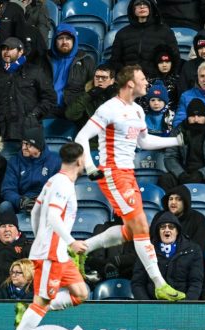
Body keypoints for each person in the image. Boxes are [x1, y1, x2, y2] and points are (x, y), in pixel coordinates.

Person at [74, 65, 187, 301]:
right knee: (141, 228)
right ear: (130, 83)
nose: (147, 82)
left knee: (129, 231)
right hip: (113, 173)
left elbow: (143, 142)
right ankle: (160, 284)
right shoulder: (108, 109)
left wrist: (175, 141)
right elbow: (81, 137)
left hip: (129, 173)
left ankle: (80, 248)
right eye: (143, 78)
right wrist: (91, 166)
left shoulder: (137, 110)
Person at [1, 142, 89, 330]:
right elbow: (51, 216)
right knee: (42, 300)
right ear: (79, 160)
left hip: (56, 251)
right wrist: (70, 242)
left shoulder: (52, 181)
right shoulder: (63, 185)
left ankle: (27, 309)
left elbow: (36, 211)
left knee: (80, 293)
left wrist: (41, 236)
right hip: (52, 252)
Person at [0, 37, 56, 142]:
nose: (6, 52)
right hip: (4, 134)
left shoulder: (35, 71)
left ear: (20, 51)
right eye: (4, 49)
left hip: (30, 133)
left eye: (10, 48)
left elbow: (50, 98)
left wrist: (34, 115)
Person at [161, 98, 205, 195]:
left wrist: (201, 173)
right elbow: (170, 157)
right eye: (192, 116)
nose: (196, 119)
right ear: (188, 117)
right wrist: (180, 174)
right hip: (183, 174)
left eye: (199, 116)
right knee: (166, 179)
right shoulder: (178, 131)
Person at [131, 212, 203, 300]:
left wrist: (185, 306)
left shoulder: (193, 250)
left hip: (181, 305)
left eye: (171, 227)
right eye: (163, 227)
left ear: (177, 231)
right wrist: (147, 307)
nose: (167, 230)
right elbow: (137, 283)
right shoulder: (146, 249)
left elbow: (196, 283)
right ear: (158, 232)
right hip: (153, 304)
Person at [109, 0, 180, 77]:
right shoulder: (122, 33)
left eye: (145, 4)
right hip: (129, 80)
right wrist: (126, 75)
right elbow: (115, 60)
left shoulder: (165, 31)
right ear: (133, 9)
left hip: (157, 81)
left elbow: (175, 58)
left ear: (151, 7)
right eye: (138, 4)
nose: (142, 7)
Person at [0, 128, 61, 215]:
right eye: (23, 143)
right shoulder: (15, 161)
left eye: (28, 144)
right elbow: (7, 189)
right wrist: (21, 201)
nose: (23, 148)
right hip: (22, 202)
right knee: (5, 206)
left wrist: (44, 200)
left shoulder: (55, 160)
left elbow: (60, 187)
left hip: (47, 202)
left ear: (38, 146)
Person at [41, 23, 95, 117]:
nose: (64, 42)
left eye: (68, 38)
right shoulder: (44, 58)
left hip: (72, 110)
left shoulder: (86, 60)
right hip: (46, 107)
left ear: (74, 41)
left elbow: (91, 88)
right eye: (60, 38)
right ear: (54, 40)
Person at [155, 185, 205, 251]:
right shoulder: (159, 216)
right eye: (171, 199)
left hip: (188, 258)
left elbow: (199, 248)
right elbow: (153, 241)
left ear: (185, 202)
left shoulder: (198, 218)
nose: (173, 202)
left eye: (178, 199)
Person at [65, 63, 117, 129]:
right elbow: (70, 115)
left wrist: (113, 97)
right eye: (97, 77)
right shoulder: (86, 94)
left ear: (112, 81)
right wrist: (89, 95)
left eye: (104, 78)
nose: (100, 80)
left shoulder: (121, 95)